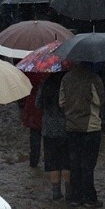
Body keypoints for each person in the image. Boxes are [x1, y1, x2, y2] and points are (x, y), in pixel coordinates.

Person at [59, 61, 105, 209]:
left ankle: (75, 196)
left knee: (74, 162)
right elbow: (99, 101)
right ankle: (90, 197)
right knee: (88, 164)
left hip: (71, 126)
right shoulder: (94, 79)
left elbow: (61, 102)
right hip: (90, 127)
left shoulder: (66, 78)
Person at [36, 71, 71, 201]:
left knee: (53, 162)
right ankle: (69, 192)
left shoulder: (46, 84)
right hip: (66, 128)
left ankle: (56, 192)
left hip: (49, 129)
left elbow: (38, 104)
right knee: (67, 162)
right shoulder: (68, 84)